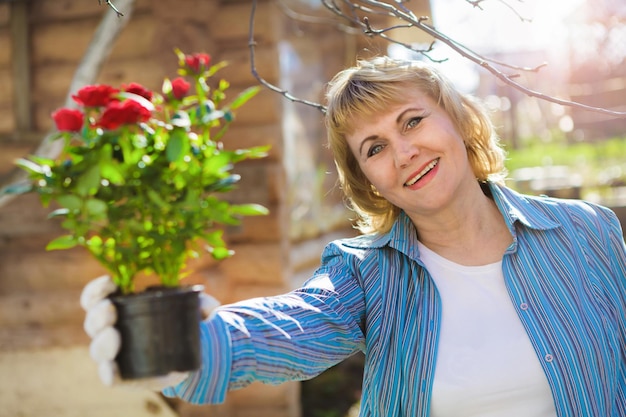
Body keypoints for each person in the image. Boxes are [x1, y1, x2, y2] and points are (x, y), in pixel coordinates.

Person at [81, 56, 626, 417]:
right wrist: (198, 346)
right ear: (371, 182)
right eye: (374, 147)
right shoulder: (365, 273)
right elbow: (295, 324)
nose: (403, 152)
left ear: (458, 121)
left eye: (412, 122)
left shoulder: (589, 233)